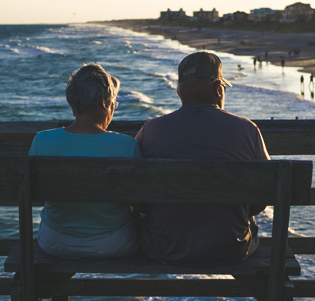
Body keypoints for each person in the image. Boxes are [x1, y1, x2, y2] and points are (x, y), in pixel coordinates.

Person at [135, 52, 270, 265]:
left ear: (179, 92)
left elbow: (136, 194)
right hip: (231, 249)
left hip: (165, 248)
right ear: (218, 89)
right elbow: (266, 191)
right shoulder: (248, 130)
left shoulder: (150, 130)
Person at [29, 63, 141, 259]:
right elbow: (139, 202)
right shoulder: (126, 146)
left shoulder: (42, 140)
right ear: (103, 102)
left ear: (72, 102)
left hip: (55, 242)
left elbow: (35, 196)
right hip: (114, 244)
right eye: (114, 102)